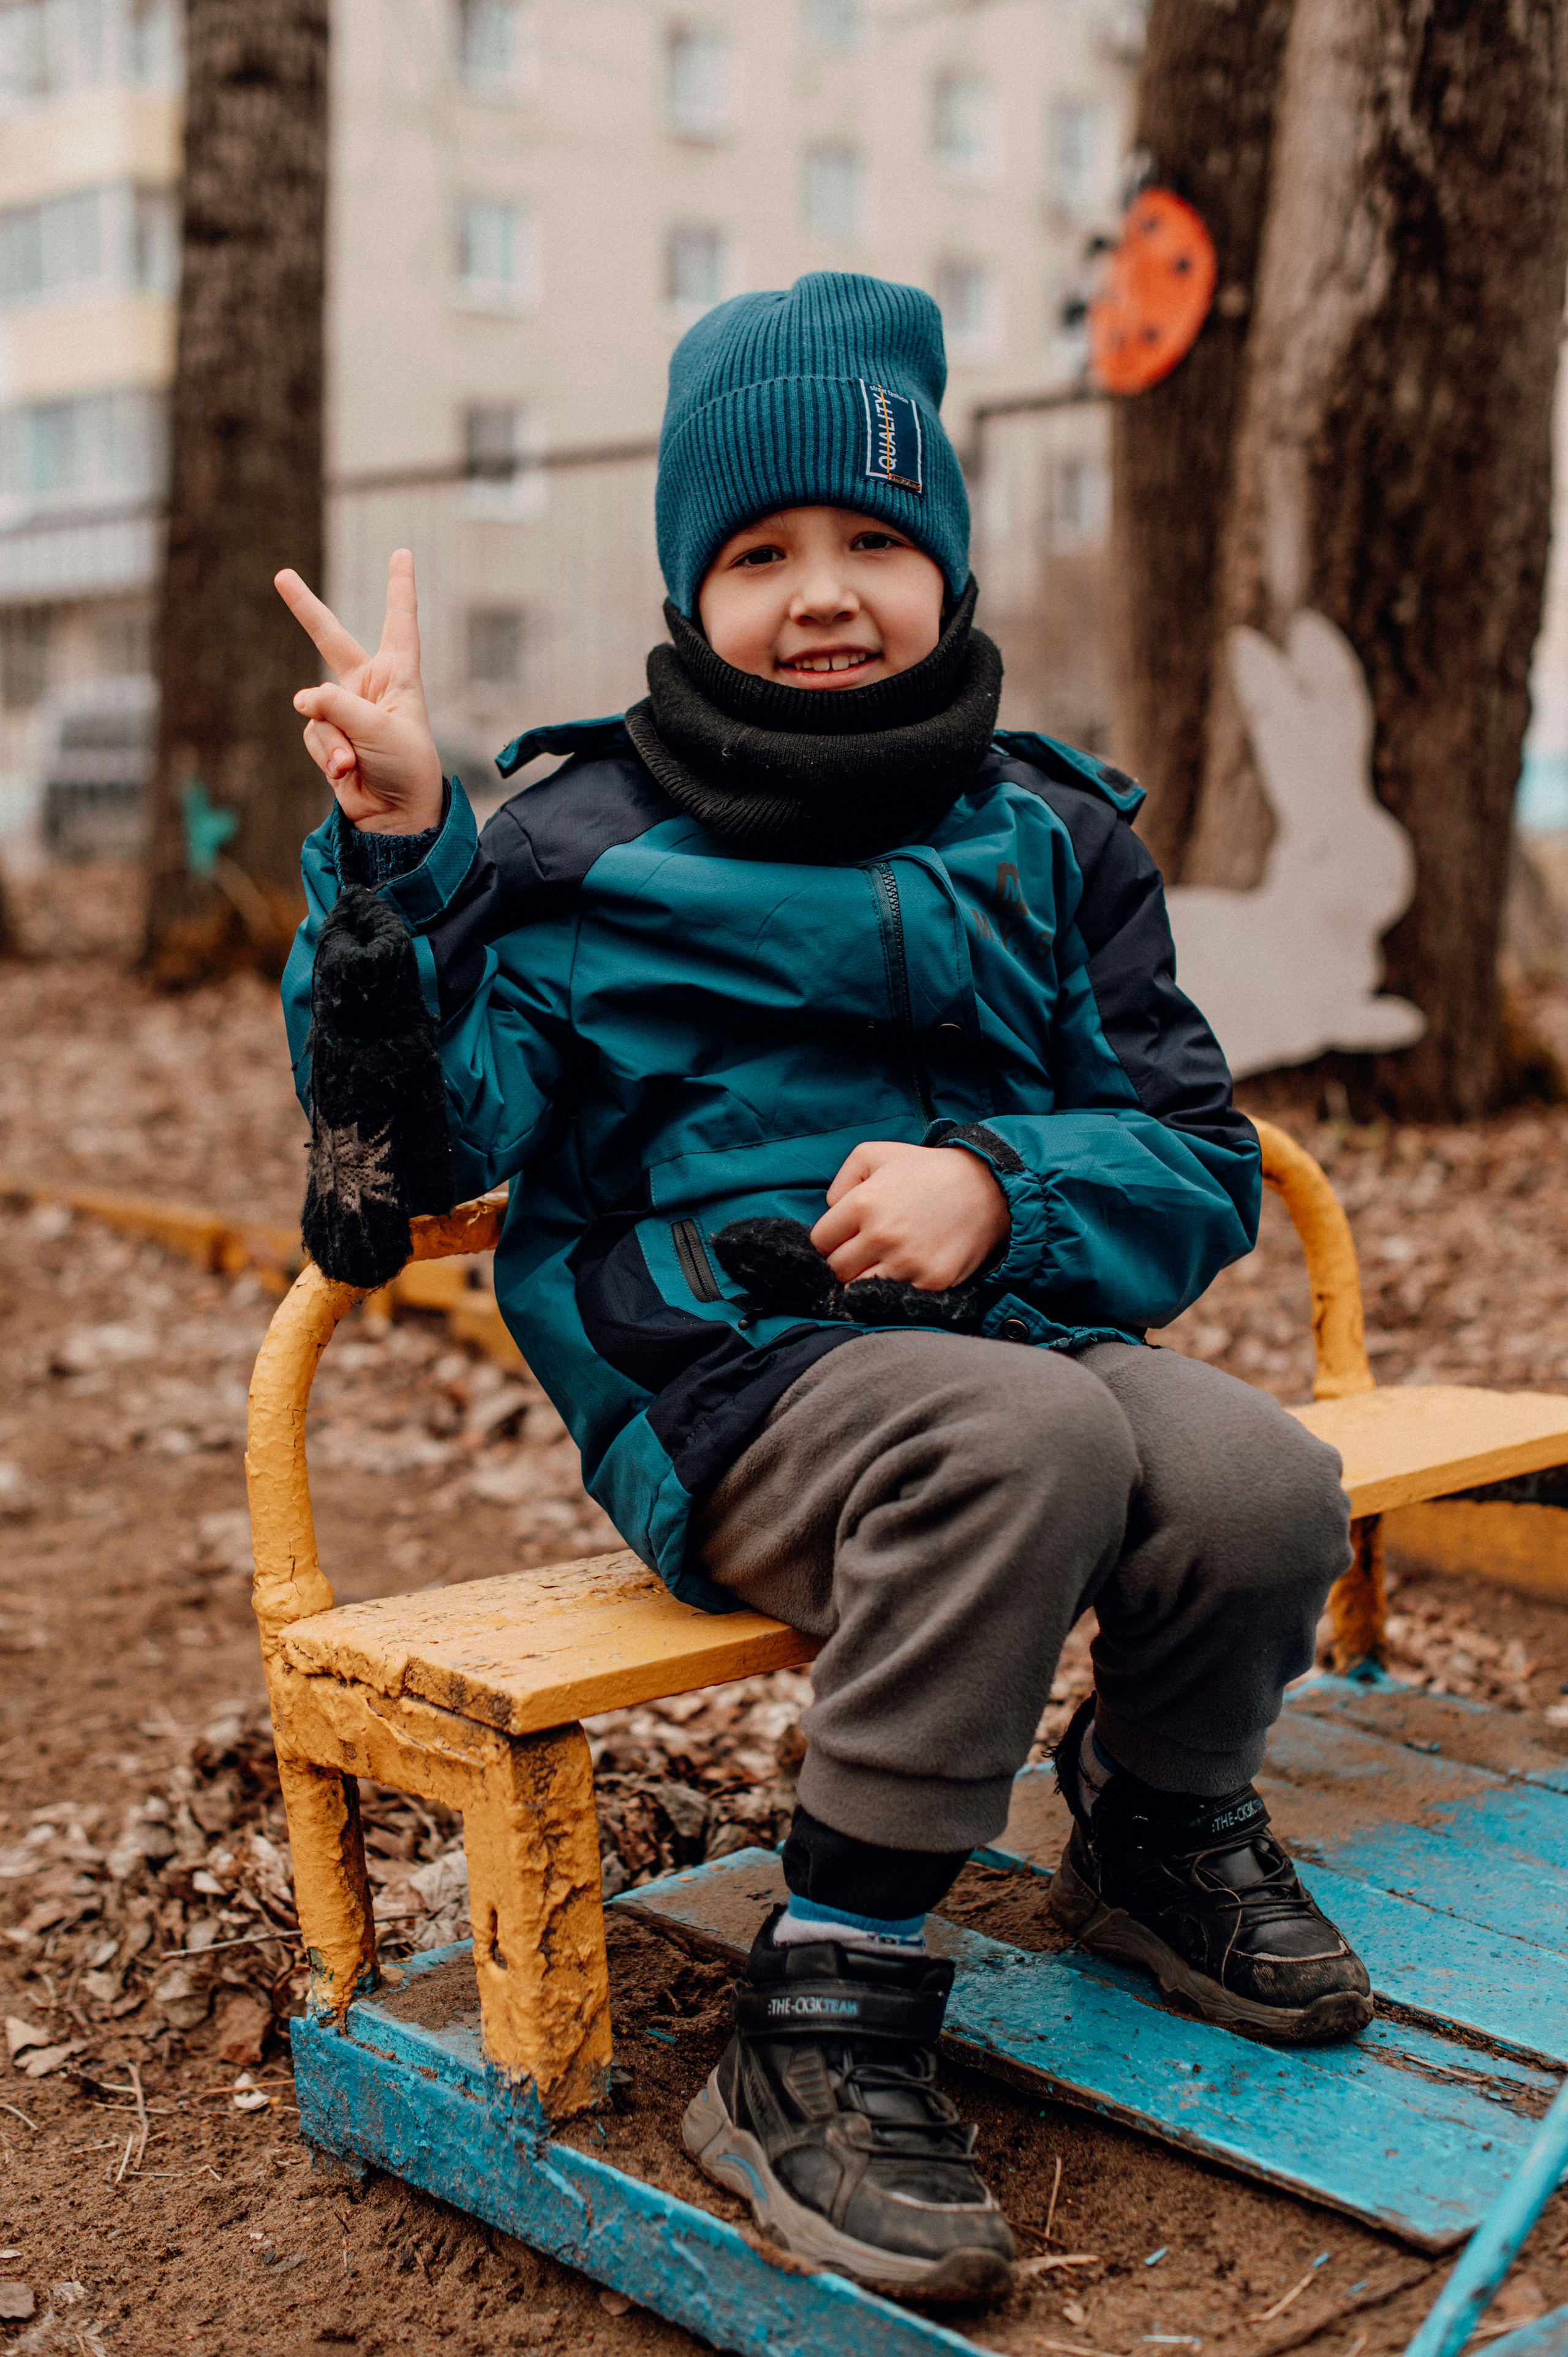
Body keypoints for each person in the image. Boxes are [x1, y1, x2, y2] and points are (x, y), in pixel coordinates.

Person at [277, 272, 1368, 2307]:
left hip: (1005, 1333)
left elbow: (1198, 1153)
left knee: (1254, 1482)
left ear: (949, 565)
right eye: (762, 552)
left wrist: (1002, 1188)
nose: (828, 591)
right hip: (728, 1383)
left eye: (877, 539)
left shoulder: (1049, 831)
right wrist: (407, 852)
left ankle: (1152, 1824)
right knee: (1027, 1435)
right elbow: (429, 1146)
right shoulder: (579, 842)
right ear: (692, 592)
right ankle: (827, 1996)